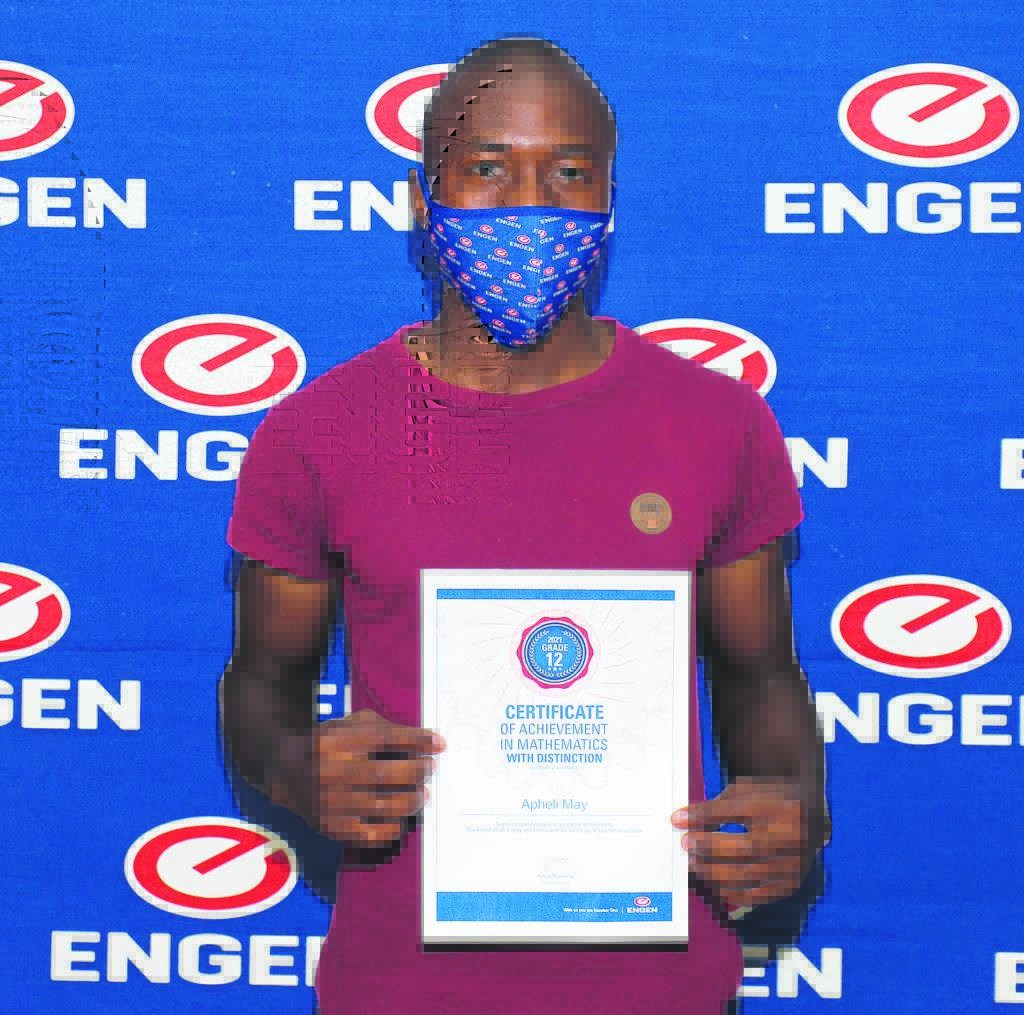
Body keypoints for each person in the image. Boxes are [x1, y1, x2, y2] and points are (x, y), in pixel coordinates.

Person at [220, 36, 830, 1014]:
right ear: (424, 199)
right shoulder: (318, 432)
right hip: (401, 988)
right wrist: (295, 767)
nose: (528, 207)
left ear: (608, 200)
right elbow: (261, 684)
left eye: (569, 174)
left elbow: (760, 676)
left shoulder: (718, 424)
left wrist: (795, 804)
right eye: (488, 169)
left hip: (662, 988)